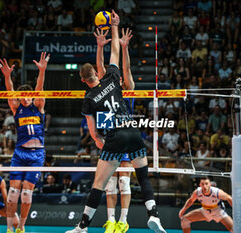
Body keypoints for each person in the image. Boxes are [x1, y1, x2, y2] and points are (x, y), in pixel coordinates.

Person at [65, 10, 166, 233]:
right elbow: (115, 53)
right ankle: (154, 216)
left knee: (99, 185)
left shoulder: (89, 99)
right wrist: (115, 26)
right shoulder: (112, 78)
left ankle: (82, 227)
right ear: (96, 74)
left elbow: (93, 134)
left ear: (83, 80)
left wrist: (104, 147)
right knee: (142, 177)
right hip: (132, 131)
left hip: (114, 137)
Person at [0, 51, 50, 233]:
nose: (26, 98)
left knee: (26, 194)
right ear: (20, 98)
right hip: (20, 153)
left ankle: (21, 227)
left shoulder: (38, 106)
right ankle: (8, 229)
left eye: (29, 95)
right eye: (23, 96)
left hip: (36, 155)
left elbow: (40, 88)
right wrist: (7, 76)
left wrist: (42, 71)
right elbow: (9, 91)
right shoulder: (16, 108)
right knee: (13, 193)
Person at [94, 28, 134, 233]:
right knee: (110, 184)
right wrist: (100, 47)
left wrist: (124, 48)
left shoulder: (127, 88)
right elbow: (100, 67)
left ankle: (123, 221)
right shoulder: (106, 88)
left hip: (126, 136)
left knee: (124, 183)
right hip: (110, 136)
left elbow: (126, 70)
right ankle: (110, 221)